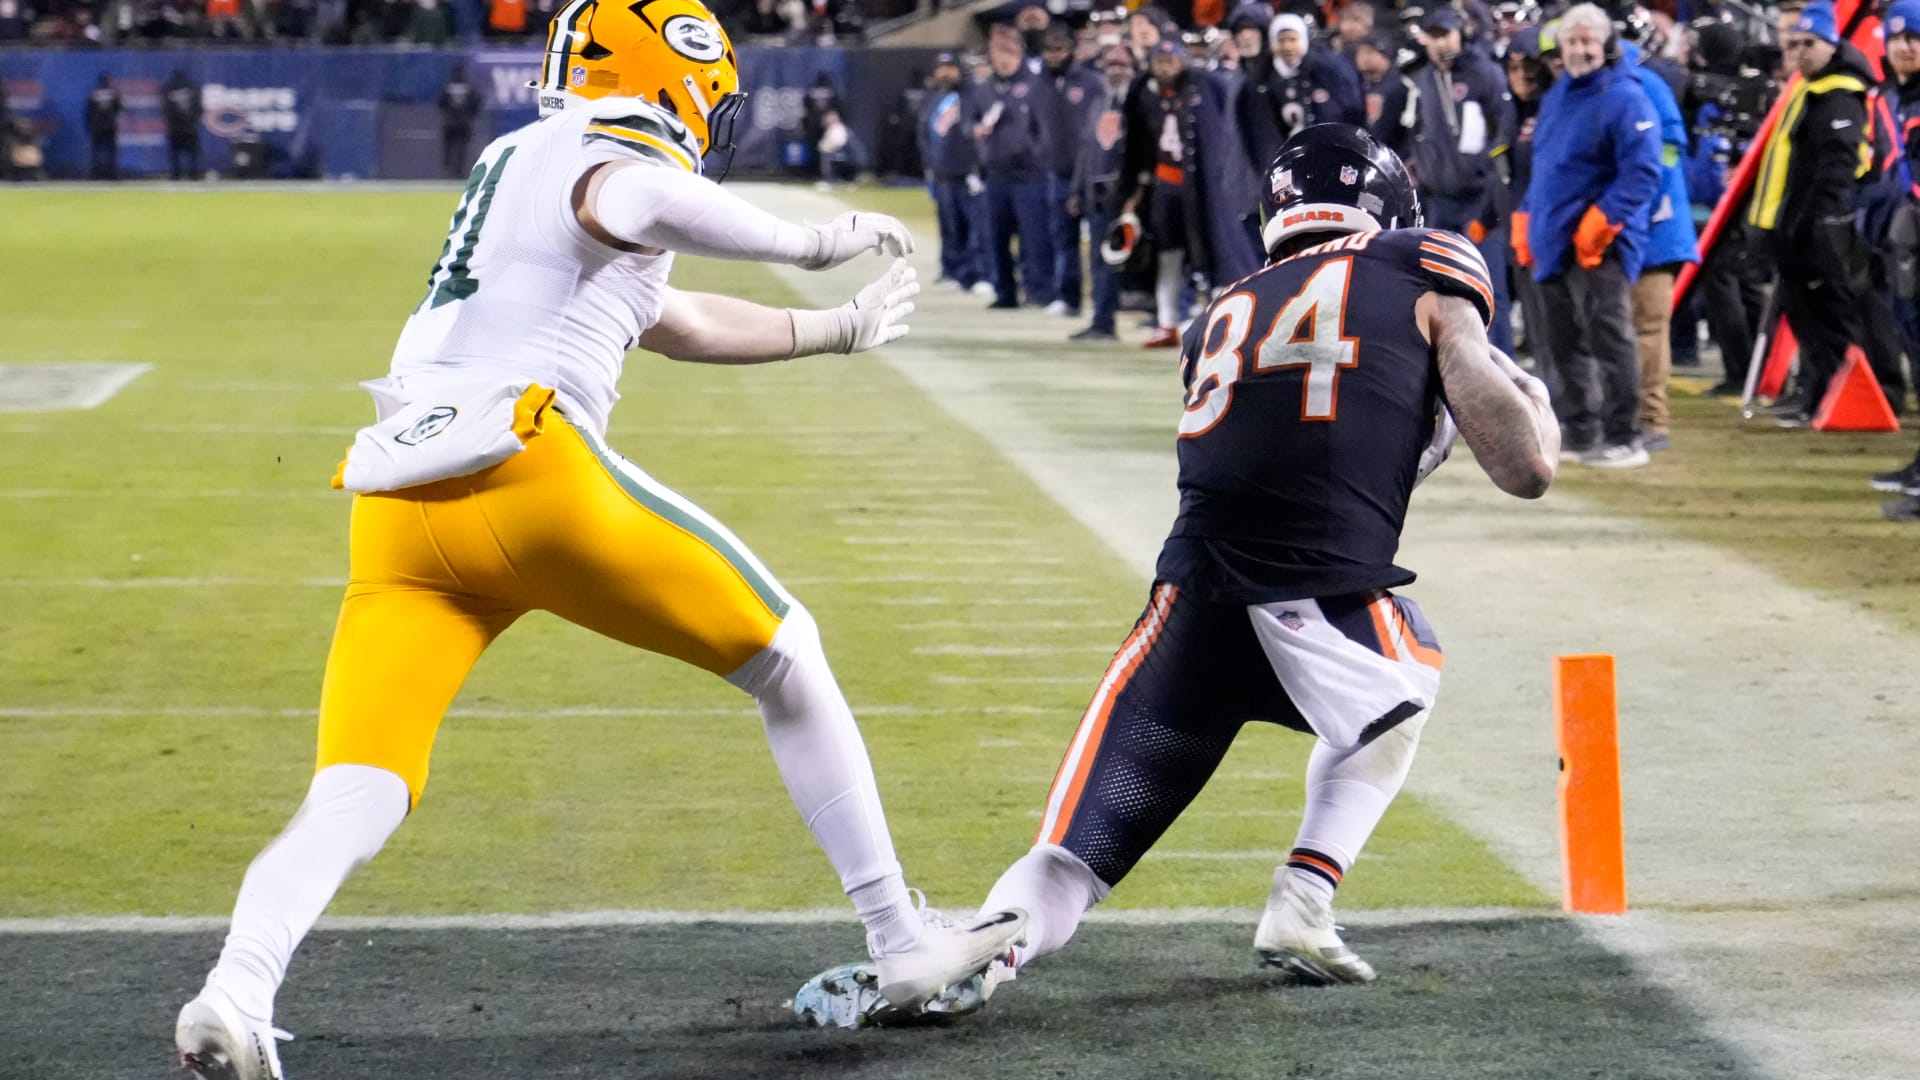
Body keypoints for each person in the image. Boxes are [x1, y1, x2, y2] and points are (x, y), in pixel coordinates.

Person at [171, 3, 1028, 1076]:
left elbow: (666, 317)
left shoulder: (517, 153)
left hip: (400, 504)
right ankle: (902, 940)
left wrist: (830, 329)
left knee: (359, 781)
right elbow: (641, 193)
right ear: (675, 71)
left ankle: (234, 993)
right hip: (530, 469)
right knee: (787, 650)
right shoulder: (611, 151)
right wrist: (813, 241)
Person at [792, 125, 1559, 1028]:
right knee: (1412, 657)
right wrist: (1529, 407)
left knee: (1074, 860)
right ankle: (1304, 895)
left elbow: (1291, 438)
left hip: (1187, 603)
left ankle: (981, 942)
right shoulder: (1417, 259)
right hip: (1312, 590)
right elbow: (1522, 466)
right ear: (1390, 208)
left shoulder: (1222, 308)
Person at [1512, 3, 1661, 468]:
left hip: (1600, 246)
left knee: (1610, 338)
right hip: (1553, 239)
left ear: (1606, 46)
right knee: (1564, 341)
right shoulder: (1558, 95)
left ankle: (1625, 435)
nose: (1579, 50)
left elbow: (1642, 171)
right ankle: (1581, 429)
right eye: (1572, 42)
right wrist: (1526, 216)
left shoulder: (1625, 96)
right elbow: (1547, 168)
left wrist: (1604, 220)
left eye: (1588, 42)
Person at [1748, 0, 1903, 426]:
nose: (1797, 51)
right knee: (1809, 320)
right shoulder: (1808, 89)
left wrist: (1818, 224)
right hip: (1797, 228)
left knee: (1835, 319)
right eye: (1792, 44)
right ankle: (1819, 396)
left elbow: (1836, 168)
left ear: (1830, 44)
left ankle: (1852, 396)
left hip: (1824, 231)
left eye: (1807, 43)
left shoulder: (1840, 94)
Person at [1409, 4, 1516, 354]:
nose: (1441, 43)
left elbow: (1504, 130)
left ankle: (1500, 363)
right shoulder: (1423, 78)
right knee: (1442, 286)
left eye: (1447, 34)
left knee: (1488, 285)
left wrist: (1491, 179)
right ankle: (1457, 360)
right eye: (1434, 36)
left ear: (1460, 34)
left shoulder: (1484, 73)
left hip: (1479, 200)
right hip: (1440, 200)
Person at [1618, 34, 1699, 453]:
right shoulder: (1606, 84)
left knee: (1647, 325)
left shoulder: (1643, 83)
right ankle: (1624, 414)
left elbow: (1668, 152)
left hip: (1652, 225)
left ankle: (1652, 418)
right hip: (1622, 223)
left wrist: (1644, 206)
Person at [970, 25, 1057, 310]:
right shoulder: (984, 89)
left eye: (1009, 52)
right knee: (997, 238)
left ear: (1020, 52)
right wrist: (975, 130)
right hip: (995, 174)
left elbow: (1046, 129)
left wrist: (1033, 152)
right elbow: (967, 121)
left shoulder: (1036, 84)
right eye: (998, 52)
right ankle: (1005, 292)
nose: (1004, 59)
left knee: (1035, 237)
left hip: (1030, 175)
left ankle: (1040, 291)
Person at [1068, 43, 1138, 341]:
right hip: (1097, 194)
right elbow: (1086, 150)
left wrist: (1134, 195)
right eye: (1111, 65)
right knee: (1100, 260)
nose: (1116, 70)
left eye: (1122, 65)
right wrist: (1077, 190)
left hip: (1126, 196)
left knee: (1123, 261)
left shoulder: (1138, 103)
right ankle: (1102, 319)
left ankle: (1165, 320)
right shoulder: (1098, 101)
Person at [1038, 21, 1105, 318]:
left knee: (1097, 244)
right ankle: (1068, 298)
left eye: (1059, 49)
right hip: (1057, 173)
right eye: (1049, 50)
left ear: (1071, 50)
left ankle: (1102, 306)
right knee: (1063, 239)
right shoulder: (1037, 83)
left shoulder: (1092, 82)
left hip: (1090, 174)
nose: (1054, 55)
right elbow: (1032, 128)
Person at [920, 52, 989, 295]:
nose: (945, 72)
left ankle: (979, 273)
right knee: (950, 227)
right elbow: (925, 133)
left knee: (975, 227)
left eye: (950, 67)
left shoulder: (973, 94)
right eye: (941, 67)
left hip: (968, 172)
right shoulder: (934, 96)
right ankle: (954, 271)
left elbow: (978, 132)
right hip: (942, 173)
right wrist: (929, 165)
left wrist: (978, 166)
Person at [438, 65, 481, 179]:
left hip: (450, 122)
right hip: (464, 122)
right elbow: (476, 103)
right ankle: (460, 171)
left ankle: (448, 169)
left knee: (448, 147)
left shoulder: (447, 88)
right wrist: (470, 116)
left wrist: (447, 114)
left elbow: (441, 103)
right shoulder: (469, 88)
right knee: (463, 148)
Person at [162, 68, 201, 181]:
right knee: (192, 153)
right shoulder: (192, 88)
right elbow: (198, 107)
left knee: (175, 153)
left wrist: (170, 122)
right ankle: (193, 174)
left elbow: (165, 109)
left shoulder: (168, 89)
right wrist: (194, 121)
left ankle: (176, 174)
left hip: (175, 128)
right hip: (190, 127)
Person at [84, 73, 121, 181]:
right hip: (110, 127)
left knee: (96, 151)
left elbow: (88, 112)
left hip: (97, 127)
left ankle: (95, 174)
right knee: (111, 152)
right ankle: (111, 174)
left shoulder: (93, 93)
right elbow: (120, 108)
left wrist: (90, 125)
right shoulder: (114, 93)